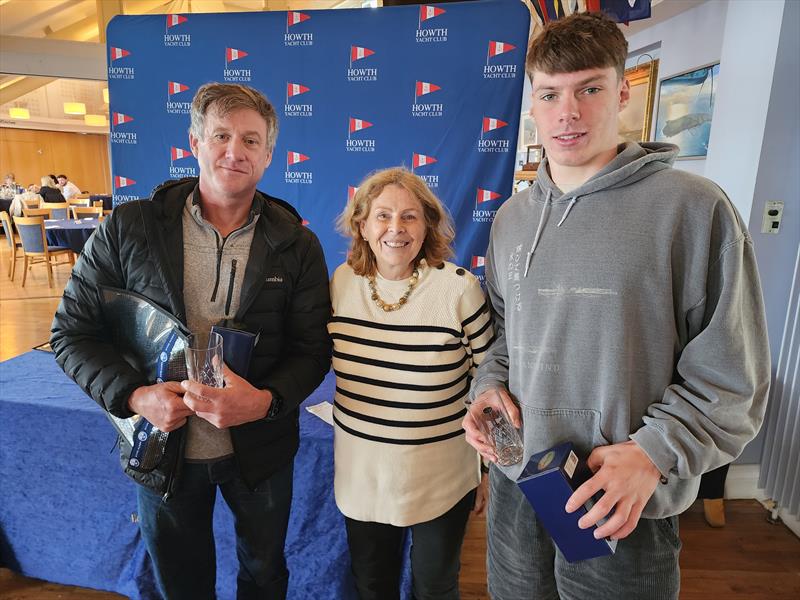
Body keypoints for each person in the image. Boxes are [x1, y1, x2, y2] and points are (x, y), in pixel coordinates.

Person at [462, 12, 770, 600]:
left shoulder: (693, 210)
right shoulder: (511, 219)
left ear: (623, 92)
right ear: (532, 103)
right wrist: (488, 388)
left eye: (590, 89)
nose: (567, 112)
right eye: (550, 94)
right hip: (516, 487)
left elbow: (734, 377)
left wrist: (653, 454)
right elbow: (505, 333)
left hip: (619, 500)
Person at [50, 82, 332, 599]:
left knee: (265, 575)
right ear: (194, 142)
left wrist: (265, 402)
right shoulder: (127, 228)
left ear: (269, 155)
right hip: (161, 448)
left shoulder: (297, 243)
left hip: (261, 452)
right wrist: (136, 397)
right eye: (221, 135)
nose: (234, 151)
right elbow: (71, 333)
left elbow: (312, 350)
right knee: (181, 584)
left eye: (251, 140)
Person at [330, 167, 493, 599]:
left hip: (442, 476)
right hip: (362, 474)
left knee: (435, 588)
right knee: (372, 585)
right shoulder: (341, 282)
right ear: (362, 224)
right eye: (382, 216)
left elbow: (489, 386)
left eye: (409, 216)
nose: (395, 229)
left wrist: (490, 470)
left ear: (427, 226)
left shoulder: (459, 289)